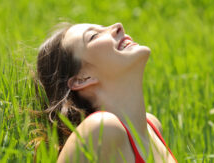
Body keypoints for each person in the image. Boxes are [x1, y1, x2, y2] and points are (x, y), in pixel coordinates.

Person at [36, 22, 177, 162]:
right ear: (82, 79)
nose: (119, 26)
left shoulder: (152, 126)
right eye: (93, 36)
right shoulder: (101, 128)